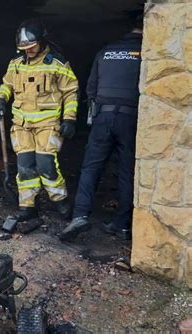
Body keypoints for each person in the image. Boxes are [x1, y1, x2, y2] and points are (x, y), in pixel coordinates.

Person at [59, 18, 143, 241]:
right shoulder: (145, 53)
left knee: (90, 168)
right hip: (130, 117)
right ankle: (122, 225)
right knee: (127, 172)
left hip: (103, 116)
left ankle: (80, 215)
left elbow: (90, 88)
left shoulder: (106, 51)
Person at [0, 19, 79, 223]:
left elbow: (71, 93)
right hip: (21, 124)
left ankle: (60, 200)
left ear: (41, 41)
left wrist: (69, 119)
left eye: (32, 47)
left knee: (46, 164)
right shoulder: (16, 63)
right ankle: (27, 205)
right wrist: (0, 100)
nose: (28, 51)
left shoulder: (57, 64)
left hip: (48, 124)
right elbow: (7, 85)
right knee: (24, 166)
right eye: (25, 48)